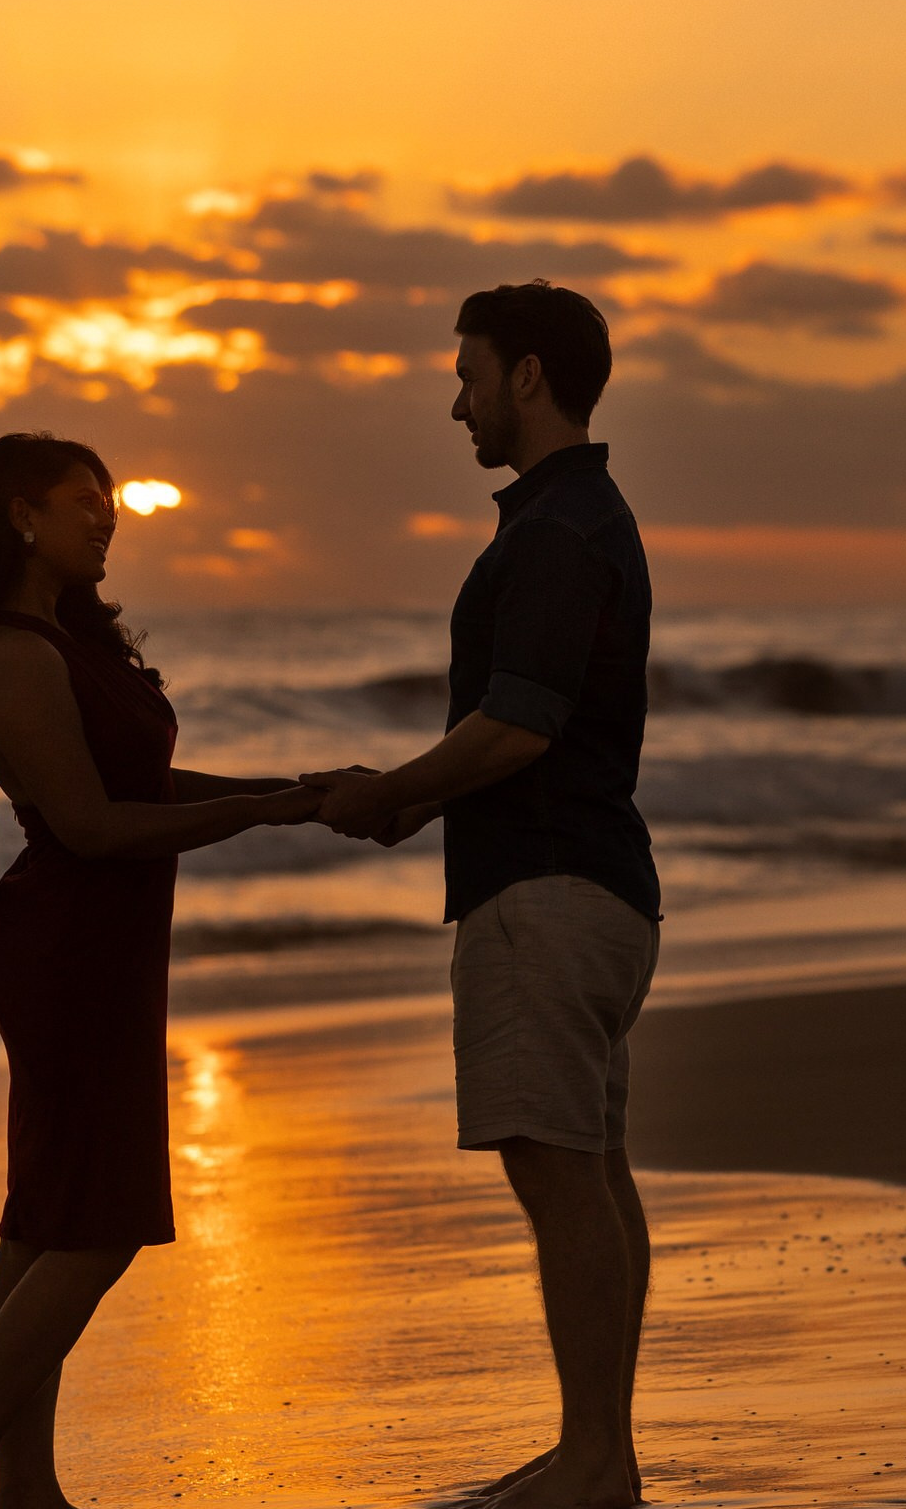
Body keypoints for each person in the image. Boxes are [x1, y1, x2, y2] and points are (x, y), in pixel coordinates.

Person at [0, 432, 321, 1509]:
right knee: (104, 1220)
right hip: (67, 955)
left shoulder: (69, 640)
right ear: (20, 517)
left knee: (48, 1217)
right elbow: (88, 825)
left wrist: (298, 789)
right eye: (83, 502)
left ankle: (25, 1487)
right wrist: (276, 806)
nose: (107, 519)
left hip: (104, 950)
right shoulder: (12, 654)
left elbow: (151, 784)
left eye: (113, 502)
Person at [305, 282, 659, 1509]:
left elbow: (519, 724)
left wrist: (396, 793)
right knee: (591, 1168)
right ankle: (597, 1450)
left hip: (547, 888)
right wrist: (411, 796)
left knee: (559, 1168)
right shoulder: (577, 517)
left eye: (468, 374)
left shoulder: (557, 530)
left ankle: (595, 1460)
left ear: (528, 377)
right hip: (597, 884)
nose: (454, 401)